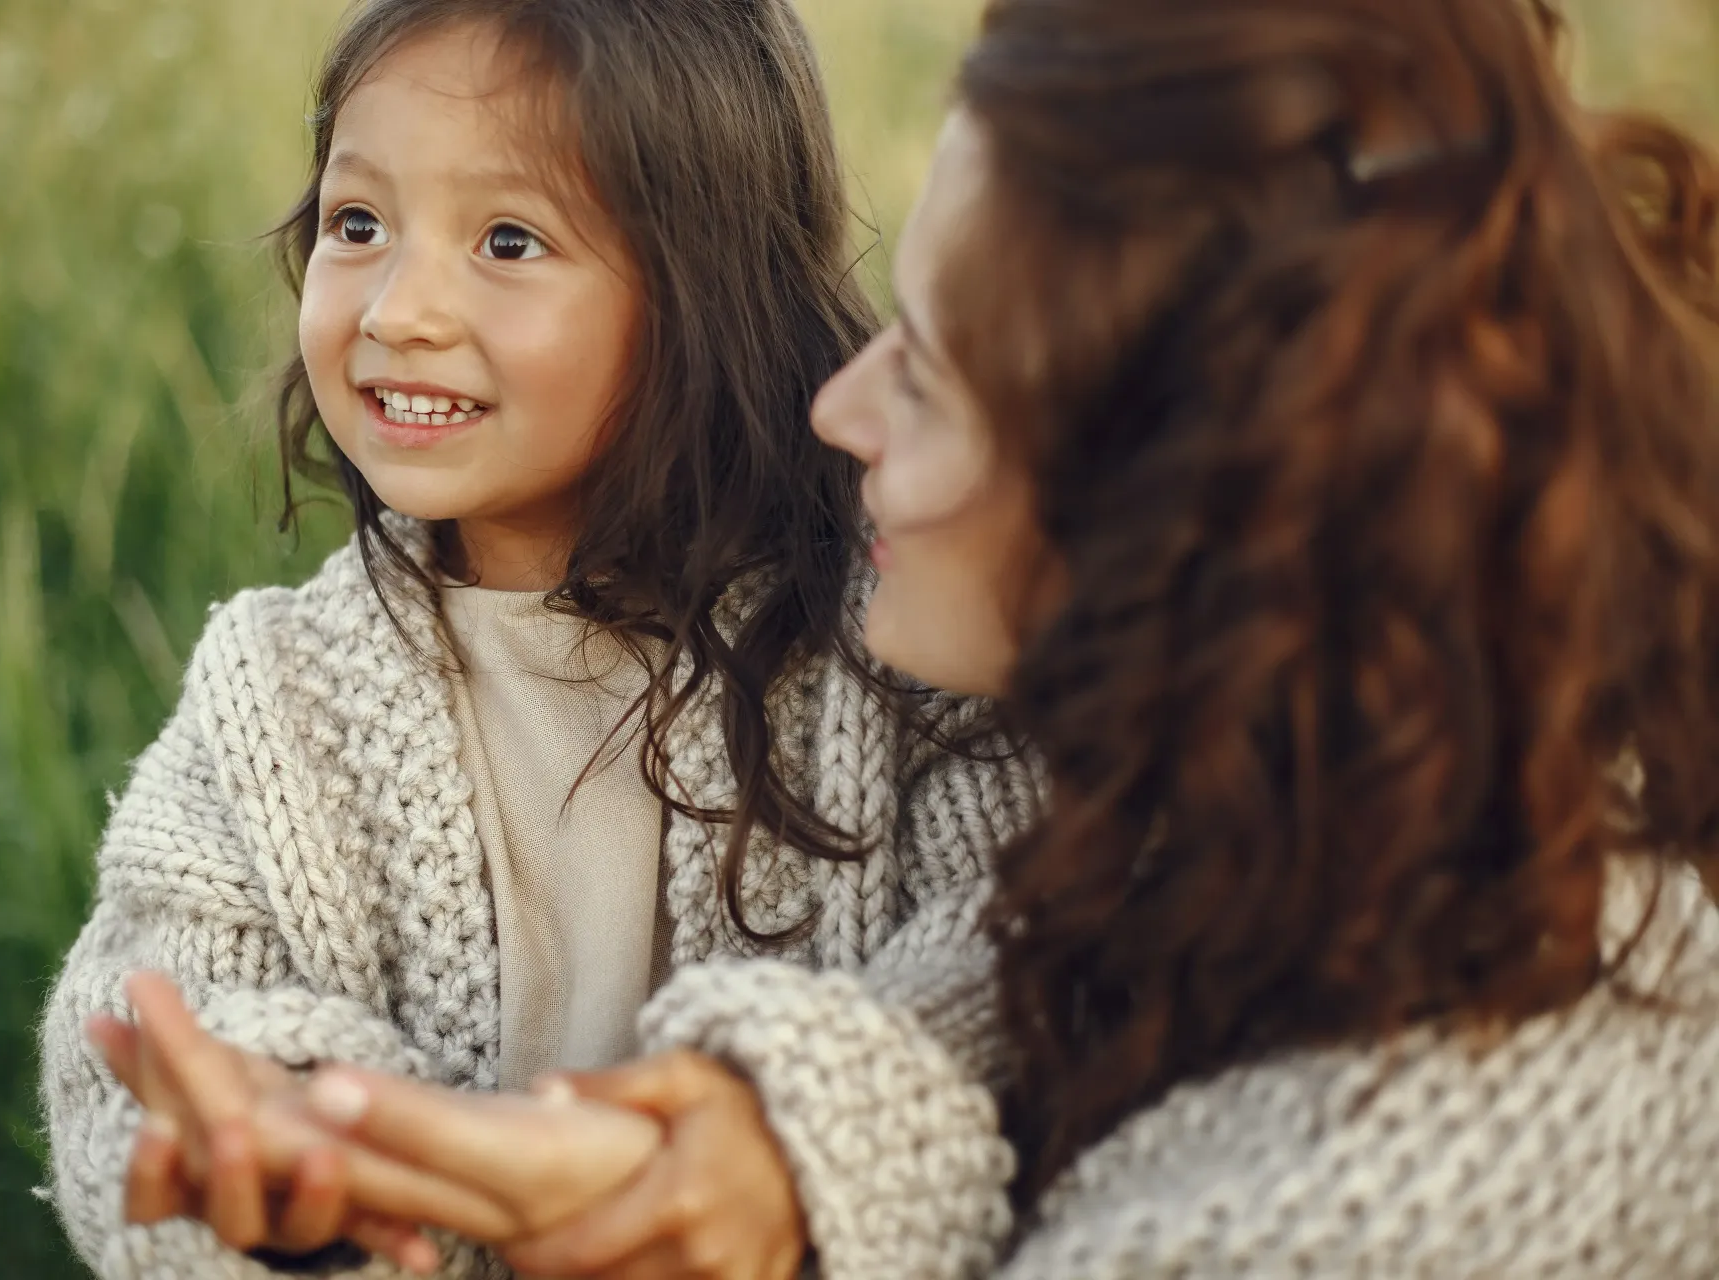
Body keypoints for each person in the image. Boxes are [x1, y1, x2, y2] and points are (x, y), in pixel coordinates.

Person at [188, 0, 1719, 1276]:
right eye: (358, 223)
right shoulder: (1272, 814)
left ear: (1163, 487)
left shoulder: (1386, 1181)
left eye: (927, 372)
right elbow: (1038, 961)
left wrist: (771, 1153)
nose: (840, 405)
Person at [38, 0, 1039, 1275]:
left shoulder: (891, 643)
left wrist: (789, 1130)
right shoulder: (272, 701)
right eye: (358, 224)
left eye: (508, 239)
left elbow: (1011, 961)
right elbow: (140, 1025)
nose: (399, 309)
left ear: (705, 282)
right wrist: (300, 1137)